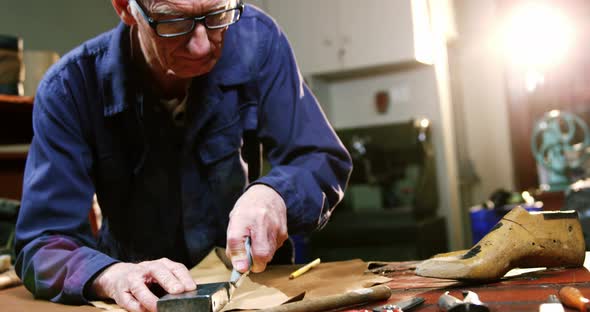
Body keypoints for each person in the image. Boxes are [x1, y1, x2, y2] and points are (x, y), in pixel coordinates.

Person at [14, 0, 352, 311]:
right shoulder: (71, 88)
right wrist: (110, 276)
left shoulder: (257, 41)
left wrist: (275, 195)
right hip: (141, 302)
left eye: (217, 15)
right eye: (173, 21)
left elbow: (320, 158)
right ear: (125, 8)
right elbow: (42, 243)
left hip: (251, 292)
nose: (202, 45)